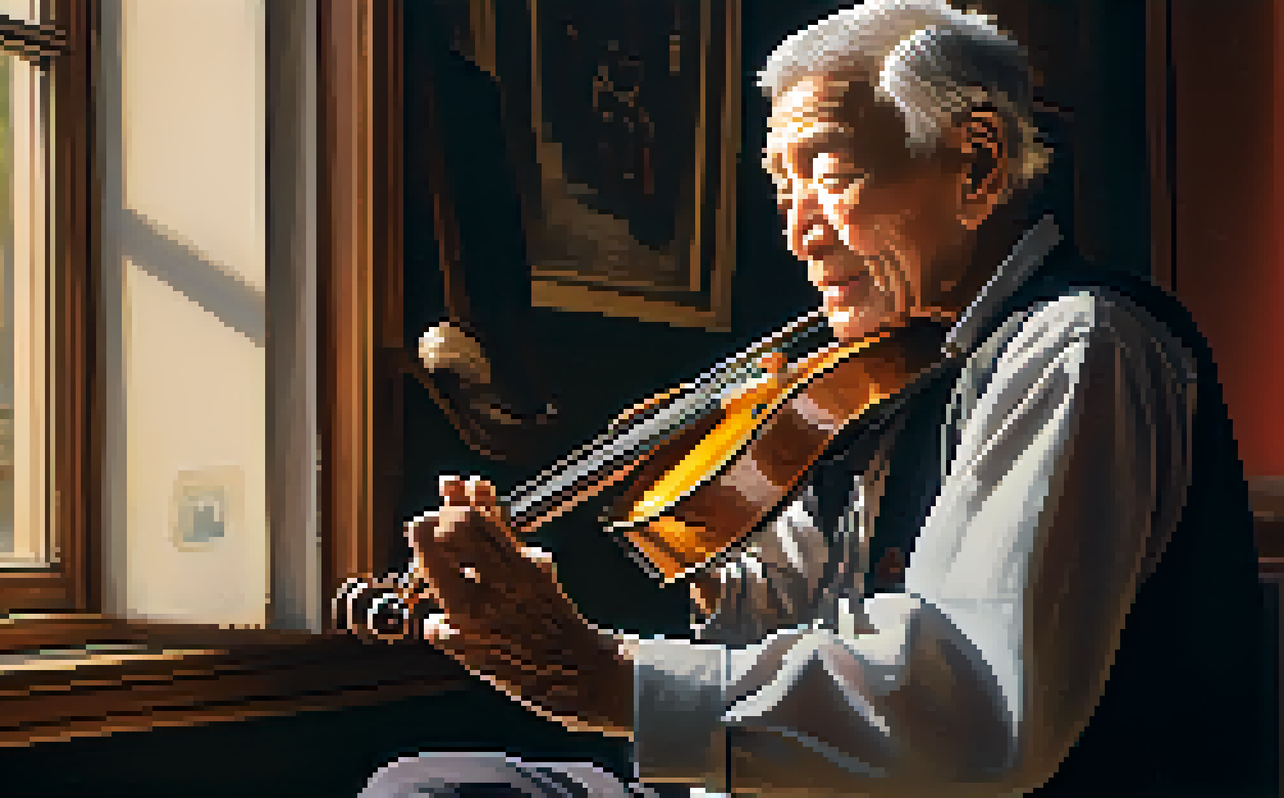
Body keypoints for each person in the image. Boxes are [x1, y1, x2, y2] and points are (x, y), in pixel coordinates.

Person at [358, 1, 1269, 795]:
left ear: (978, 166)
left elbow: (980, 705)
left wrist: (608, 678)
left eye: (830, 176)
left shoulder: (1077, 345)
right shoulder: (877, 376)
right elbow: (791, 642)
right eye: (781, 187)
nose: (798, 234)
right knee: (427, 787)